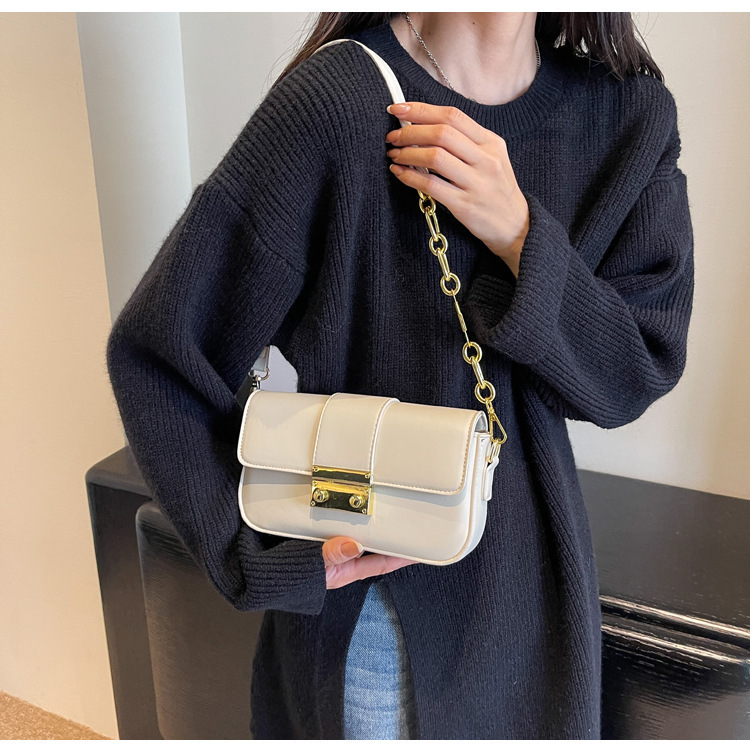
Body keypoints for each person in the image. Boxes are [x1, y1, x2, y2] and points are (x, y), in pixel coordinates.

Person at [106, 11, 695, 740]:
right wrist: (253, 555)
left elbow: (634, 371)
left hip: (535, 599)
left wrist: (519, 235)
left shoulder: (628, 117)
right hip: (377, 611)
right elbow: (160, 354)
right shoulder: (340, 101)